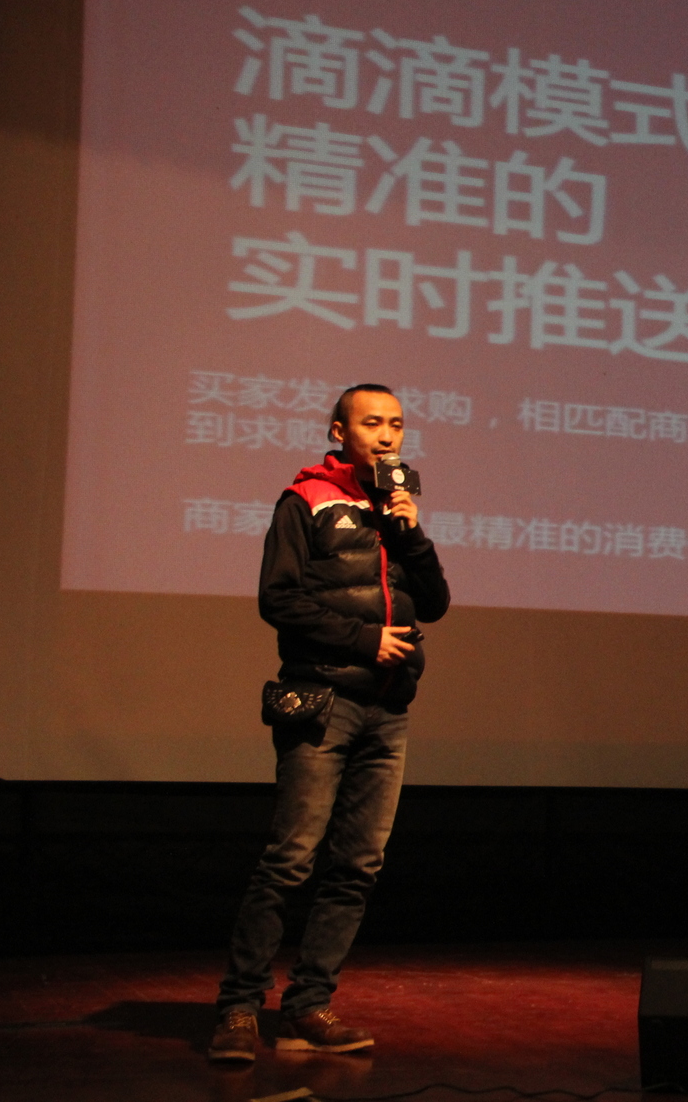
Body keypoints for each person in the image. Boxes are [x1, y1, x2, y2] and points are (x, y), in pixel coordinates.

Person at [208, 385, 450, 1063]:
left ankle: (308, 1005)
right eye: (372, 423)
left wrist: (411, 532)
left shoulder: (395, 507)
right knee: (290, 860)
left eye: (396, 424)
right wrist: (363, 640)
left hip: (388, 709)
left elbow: (435, 601)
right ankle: (238, 1009)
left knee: (358, 866)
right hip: (322, 700)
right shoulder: (305, 500)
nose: (387, 435)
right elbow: (278, 599)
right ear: (339, 431)